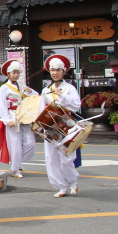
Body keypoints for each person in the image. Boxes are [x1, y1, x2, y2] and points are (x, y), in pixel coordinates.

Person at [39, 54, 81, 198]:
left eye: (58, 70)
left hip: (67, 125)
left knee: (66, 156)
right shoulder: (46, 90)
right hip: (50, 126)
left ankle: (73, 181)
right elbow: (41, 108)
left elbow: (76, 106)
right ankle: (61, 186)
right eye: (52, 70)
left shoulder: (69, 88)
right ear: (49, 71)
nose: (55, 73)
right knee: (51, 157)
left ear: (64, 71)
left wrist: (62, 96)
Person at [0, 60, 36, 178]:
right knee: (15, 143)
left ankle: (17, 162)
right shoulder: (4, 88)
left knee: (30, 143)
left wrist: (31, 92)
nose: (16, 75)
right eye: (13, 72)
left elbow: (34, 96)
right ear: (8, 74)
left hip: (23, 116)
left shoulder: (21, 86)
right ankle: (15, 169)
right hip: (12, 116)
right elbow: (2, 105)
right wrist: (6, 120)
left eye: (17, 72)